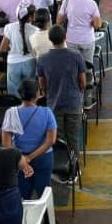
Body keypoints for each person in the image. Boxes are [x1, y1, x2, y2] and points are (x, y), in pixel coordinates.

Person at [36, 26, 86, 156]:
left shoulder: (42, 59)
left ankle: (63, 163)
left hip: (54, 105)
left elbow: (42, 85)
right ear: (65, 37)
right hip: (73, 103)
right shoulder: (76, 56)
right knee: (73, 138)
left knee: (58, 140)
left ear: (50, 39)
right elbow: (83, 82)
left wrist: (48, 94)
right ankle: (75, 165)